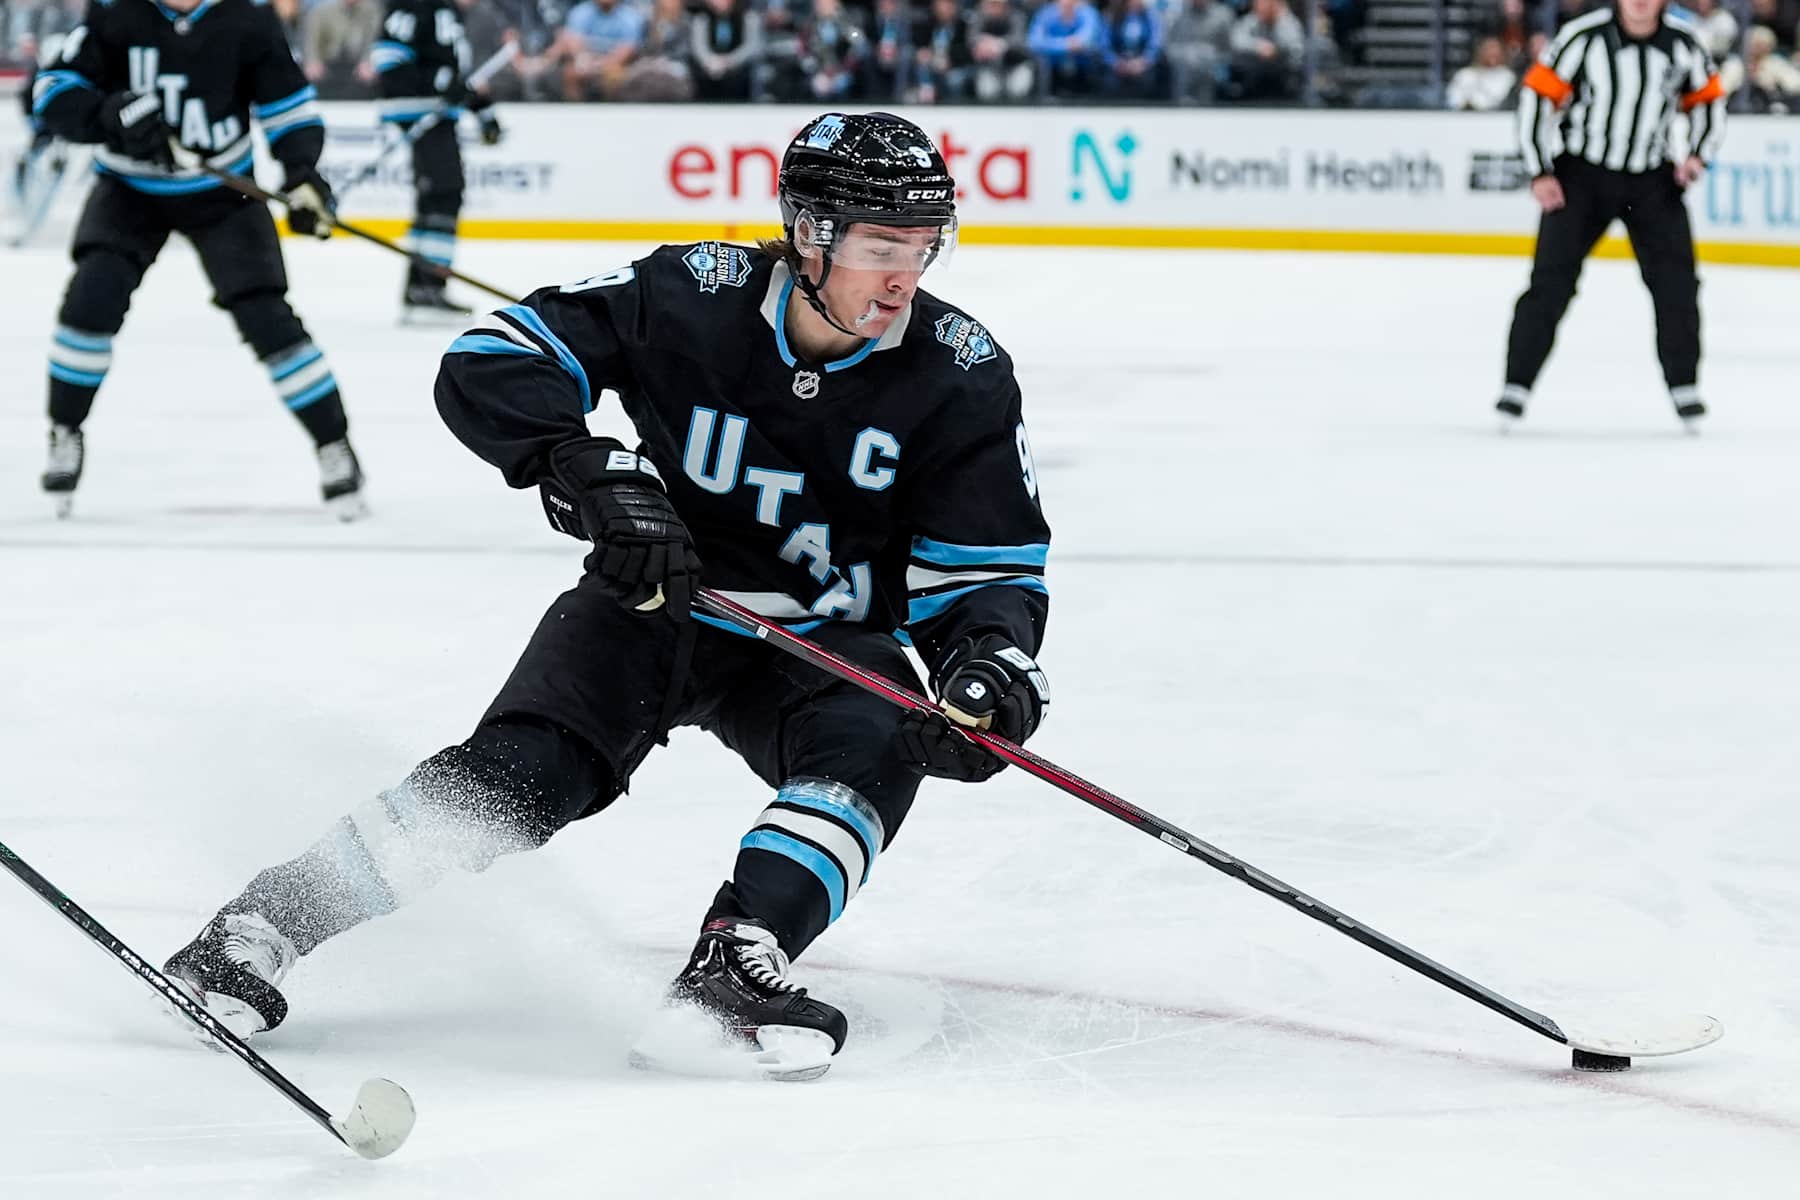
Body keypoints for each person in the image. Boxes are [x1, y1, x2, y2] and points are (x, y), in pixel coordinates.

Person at [162, 112, 1053, 1081]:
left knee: (879, 742)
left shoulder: (959, 371)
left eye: (923, 250)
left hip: (821, 638)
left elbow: (988, 569)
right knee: (521, 778)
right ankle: (259, 926)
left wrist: (987, 665)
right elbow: (496, 357)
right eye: (882, 248)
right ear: (809, 234)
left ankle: (736, 959)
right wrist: (586, 467)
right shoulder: (692, 293)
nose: (902, 279)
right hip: (650, 604)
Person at [29, 0, 366, 520]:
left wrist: (302, 174)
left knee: (267, 317)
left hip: (222, 192)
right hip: (128, 188)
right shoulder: (114, 12)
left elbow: (287, 105)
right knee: (90, 301)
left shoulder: (248, 17)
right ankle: (65, 429)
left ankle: (333, 442)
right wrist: (106, 112)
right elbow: (51, 92)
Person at [1500, 0, 1725, 430]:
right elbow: (1536, 97)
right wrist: (1539, 171)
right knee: (1550, 282)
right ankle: (1516, 384)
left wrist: (1698, 156)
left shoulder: (1685, 43)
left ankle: (1685, 385)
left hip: (1652, 180)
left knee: (1677, 283)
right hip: (1582, 177)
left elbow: (1709, 102)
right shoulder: (1583, 37)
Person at [371, 0, 504, 320]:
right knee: (444, 191)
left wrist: (484, 111)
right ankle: (428, 288)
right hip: (420, 111)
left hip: (438, 113)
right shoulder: (418, 6)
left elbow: (457, 77)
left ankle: (421, 287)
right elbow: (388, 59)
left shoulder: (450, 13)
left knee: (437, 194)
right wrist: (441, 84)